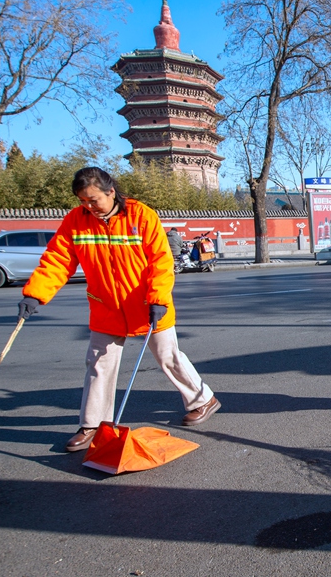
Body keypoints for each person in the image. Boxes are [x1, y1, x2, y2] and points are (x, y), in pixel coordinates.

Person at [17, 167, 220, 452]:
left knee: (168, 356)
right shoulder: (76, 222)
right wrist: (35, 294)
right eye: (83, 201)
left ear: (111, 192)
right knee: (99, 365)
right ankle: (94, 425)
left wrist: (158, 299)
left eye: (93, 200)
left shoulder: (141, 216)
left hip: (150, 304)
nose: (88, 207)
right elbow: (57, 259)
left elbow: (161, 262)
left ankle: (203, 400)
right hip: (106, 306)